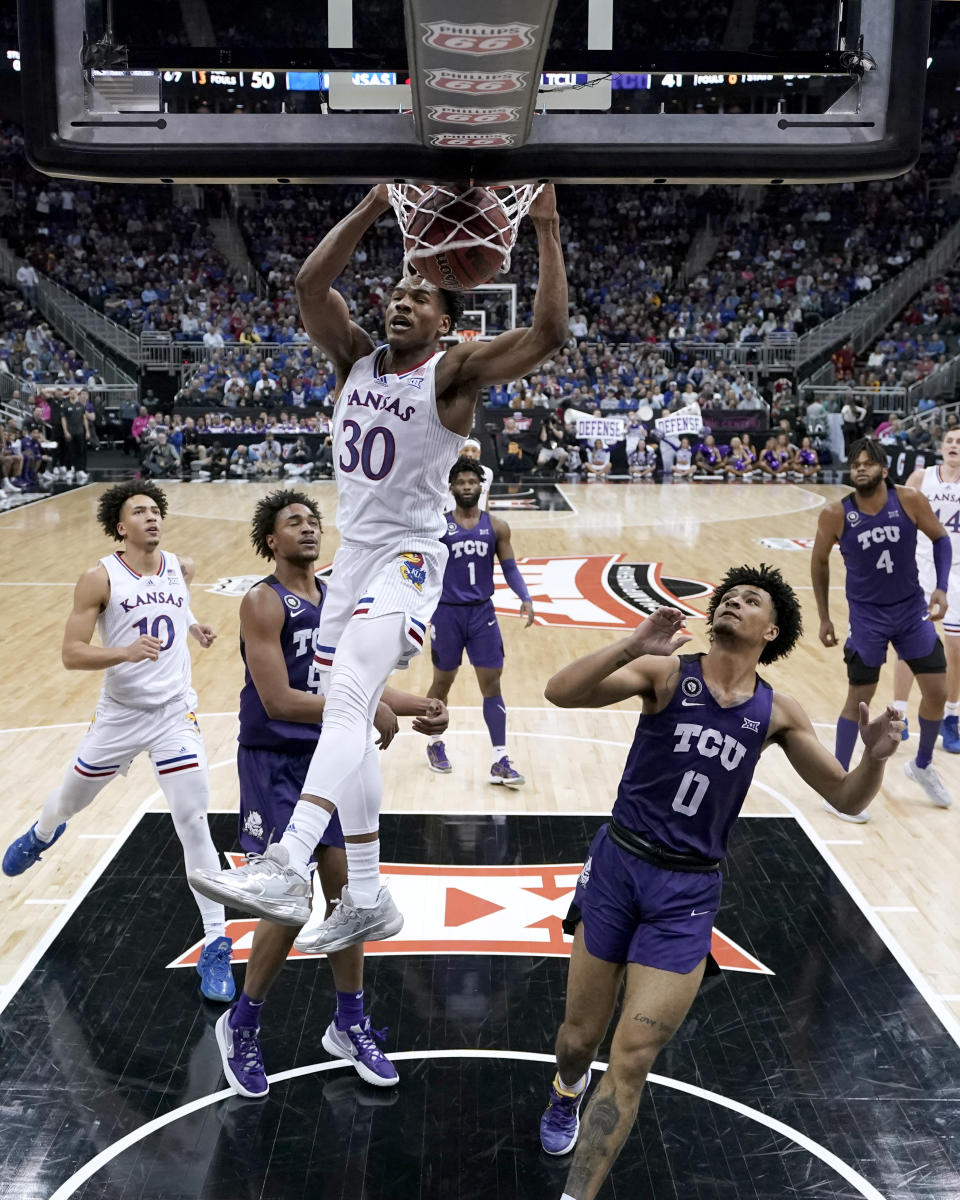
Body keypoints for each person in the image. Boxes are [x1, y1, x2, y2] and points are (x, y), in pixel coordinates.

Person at [188, 181, 567, 955]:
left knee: (353, 692)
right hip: (355, 559)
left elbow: (548, 335)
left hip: (410, 554)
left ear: (446, 320)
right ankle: (365, 892)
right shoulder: (353, 359)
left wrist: (548, 228)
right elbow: (307, 285)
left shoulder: (451, 373)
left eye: (421, 296)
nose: (402, 302)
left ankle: (288, 863)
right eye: (396, 291)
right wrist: (372, 204)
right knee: (344, 716)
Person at [537, 565, 902, 1199]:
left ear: (772, 628)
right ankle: (565, 1092)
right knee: (578, 1041)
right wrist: (631, 643)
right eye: (727, 596)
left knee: (631, 1060)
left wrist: (872, 759)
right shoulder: (666, 672)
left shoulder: (777, 712)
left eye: (750, 599)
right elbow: (559, 693)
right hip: (620, 866)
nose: (733, 601)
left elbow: (845, 795)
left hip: (687, 893)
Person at [193, 490, 448, 1098]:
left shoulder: (340, 597)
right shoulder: (261, 601)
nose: (308, 529)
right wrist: (366, 710)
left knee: (348, 891)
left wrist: (420, 707)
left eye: (313, 520)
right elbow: (280, 699)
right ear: (271, 540)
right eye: (293, 523)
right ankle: (244, 1023)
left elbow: (364, 687)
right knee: (287, 900)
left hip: (325, 756)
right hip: (276, 760)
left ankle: (349, 1021)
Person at [2, 481, 235, 1002]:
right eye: (139, 512)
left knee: (194, 822)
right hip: (120, 717)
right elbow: (71, 653)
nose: (152, 518)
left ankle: (216, 945)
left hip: (176, 714)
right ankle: (41, 834)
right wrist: (124, 653)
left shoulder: (182, 565)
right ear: (119, 527)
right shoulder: (99, 578)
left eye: (156, 510)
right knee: (68, 802)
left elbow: (178, 603)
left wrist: (193, 626)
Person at [811, 437, 952, 818]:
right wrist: (824, 615)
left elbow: (941, 539)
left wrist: (940, 586)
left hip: (910, 613)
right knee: (860, 697)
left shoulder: (909, 500)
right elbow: (819, 562)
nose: (860, 468)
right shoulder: (835, 514)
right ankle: (838, 784)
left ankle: (921, 765)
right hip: (868, 618)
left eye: (868, 463)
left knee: (937, 691)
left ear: (883, 470)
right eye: (855, 463)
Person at [425, 457, 534, 785]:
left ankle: (500, 759)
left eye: (472, 482)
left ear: (480, 486)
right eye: (461, 483)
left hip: (482, 613)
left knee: (492, 684)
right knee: (443, 683)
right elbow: (425, 569)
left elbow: (510, 567)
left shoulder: (497, 526)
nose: (467, 487)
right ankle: (434, 743)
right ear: (452, 488)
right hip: (447, 612)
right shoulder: (439, 526)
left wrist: (525, 597)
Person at [892, 427, 960, 753]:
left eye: (959, 442)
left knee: (955, 649)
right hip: (919, 568)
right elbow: (895, 516)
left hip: (957, 572)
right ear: (941, 446)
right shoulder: (920, 478)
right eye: (949, 440)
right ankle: (899, 713)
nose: (954, 446)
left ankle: (950, 716)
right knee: (910, 643)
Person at [445, 436, 493, 510]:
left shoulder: (488, 472)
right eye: (466, 450)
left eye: (473, 451)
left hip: (479, 519)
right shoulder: (449, 471)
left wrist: (487, 519)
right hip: (453, 518)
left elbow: (486, 499)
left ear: (479, 453)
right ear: (460, 452)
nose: (469, 454)